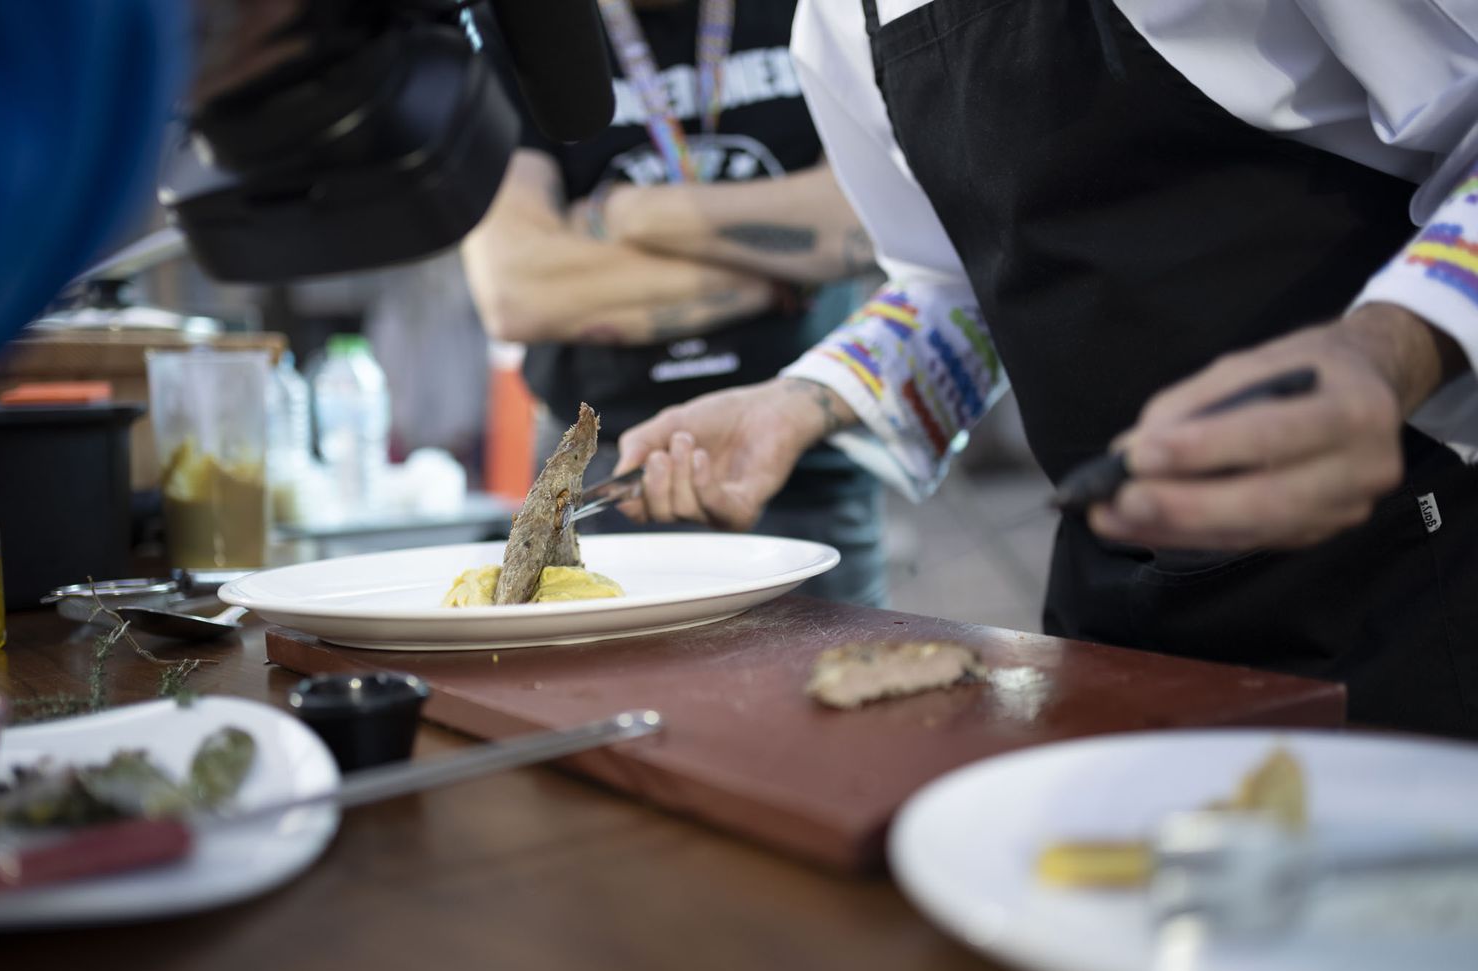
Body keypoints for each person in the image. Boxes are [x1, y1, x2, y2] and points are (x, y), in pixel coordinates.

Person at [615, 0, 1478, 738]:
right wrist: (805, 399)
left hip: (1406, 571)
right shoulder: (839, 18)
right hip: (1109, 606)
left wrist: (1391, 347)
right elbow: (961, 281)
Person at [461, 0, 888, 605]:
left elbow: (870, 221)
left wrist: (631, 214)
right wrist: (778, 273)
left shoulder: (810, 9)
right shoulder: (522, 25)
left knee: (827, 686)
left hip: (805, 459)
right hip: (601, 474)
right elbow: (517, 291)